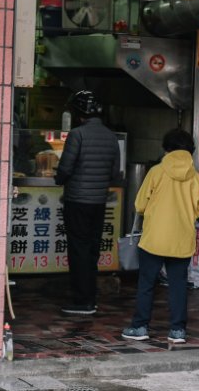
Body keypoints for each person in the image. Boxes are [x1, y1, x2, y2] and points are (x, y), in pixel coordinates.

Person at [122, 129, 199, 343]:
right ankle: (178, 330)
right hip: (182, 239)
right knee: (178, 284)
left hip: (154, 239)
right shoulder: (196, 178)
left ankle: (140, 327)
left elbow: (140, 204)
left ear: (166, 149)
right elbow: (198, 211)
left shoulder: (156, 172)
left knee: (147, 283)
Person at [55, 90, 120, 315]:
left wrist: (58, 179)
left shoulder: (77, 134)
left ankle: (82, 301)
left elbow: (65, 168)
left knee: (79, 249)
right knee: (92, 249)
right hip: (98, 201)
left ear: (79, 112)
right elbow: (114, 172)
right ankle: (90, 297)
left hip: (78, 200)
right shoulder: (111, 137)